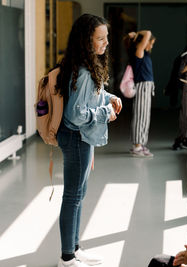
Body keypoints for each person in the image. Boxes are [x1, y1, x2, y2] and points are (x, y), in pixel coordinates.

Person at [55, 14, 122, 267]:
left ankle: (74, 248)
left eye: (106, 38)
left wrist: (109, 97)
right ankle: (67, 257)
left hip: (80, 138)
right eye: (100, 39)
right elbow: (76, 114)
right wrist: (106, 112)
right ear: (86, 41)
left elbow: (92, 95)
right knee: (73, 196)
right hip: (77, 137)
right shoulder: (83, 72)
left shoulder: (84, 65)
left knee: (78, 194)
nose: (106, 43)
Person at [125, 30, 156, 158]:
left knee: (144, 117)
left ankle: (140, 144)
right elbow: (148, 32)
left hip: (147, 87)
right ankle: (137, 146)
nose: (151, 46)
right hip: (142, 87)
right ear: (142, 43)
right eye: (150, 43)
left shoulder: (144, 54)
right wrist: (138, 34)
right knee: (140, 117)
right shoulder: (139, 52)